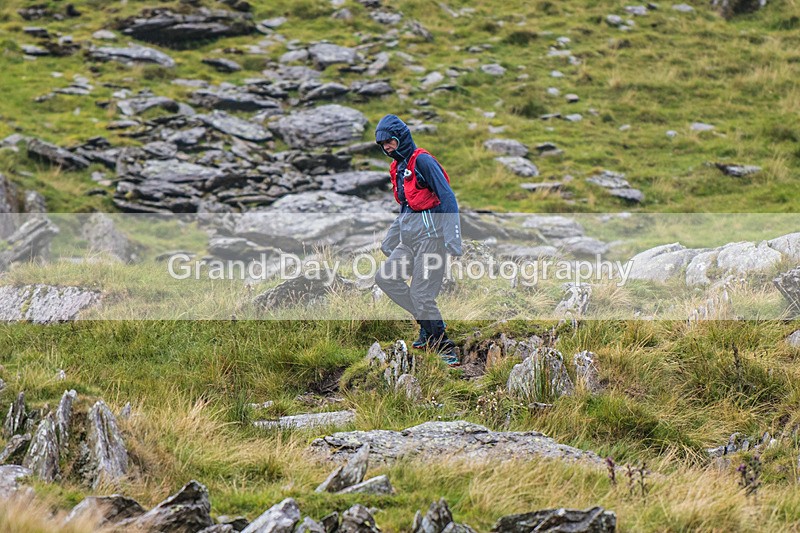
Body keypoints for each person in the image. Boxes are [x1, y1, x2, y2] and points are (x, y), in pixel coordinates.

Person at [373, 114, 462, 366]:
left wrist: (453, 238)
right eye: (383, 145)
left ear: (400, 137)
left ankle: (443, 346)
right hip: (408, 241)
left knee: (422, 295)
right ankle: (428, 325)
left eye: (389, 142)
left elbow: (448, 197)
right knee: (385, 277)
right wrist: (391, 238)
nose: (387, 148)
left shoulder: (422, 161)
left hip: (432, 241)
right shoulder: (399, 168)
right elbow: (406, 207)